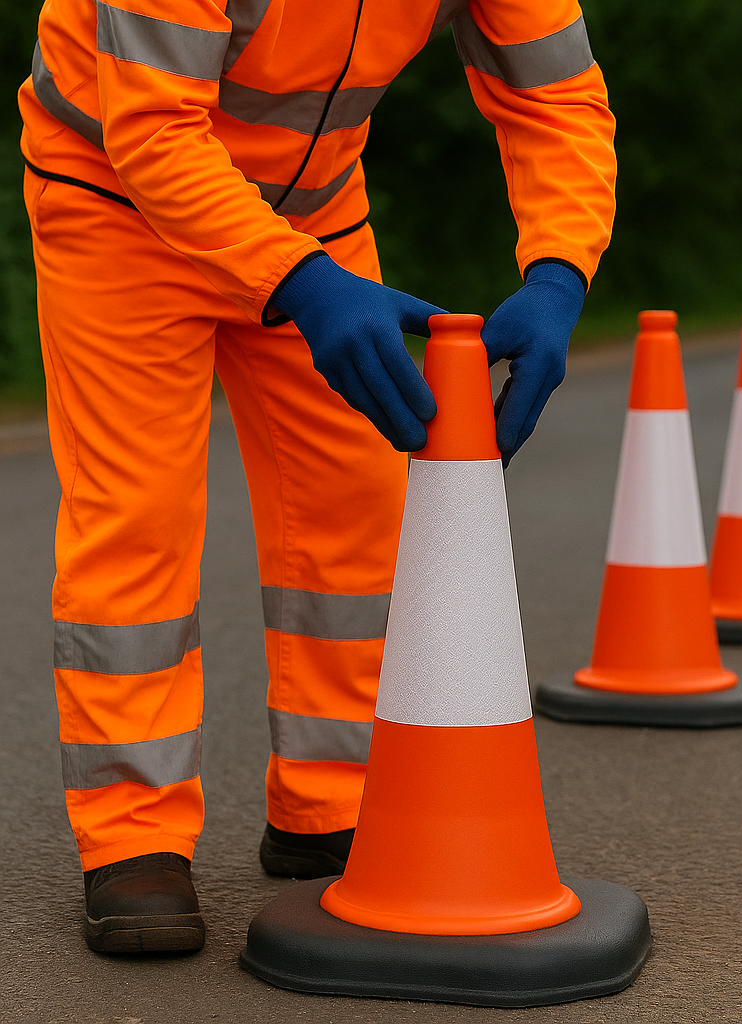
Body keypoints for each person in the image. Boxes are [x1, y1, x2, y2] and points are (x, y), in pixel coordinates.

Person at [19, 0, 615, 954]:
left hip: (314, 211)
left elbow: (555, 94)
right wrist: (301, 284)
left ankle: (330, 808)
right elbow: (151, 130)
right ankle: (133, 838)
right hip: (115, 201)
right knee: (137, 516)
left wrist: (558, 273)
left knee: (356, 507)